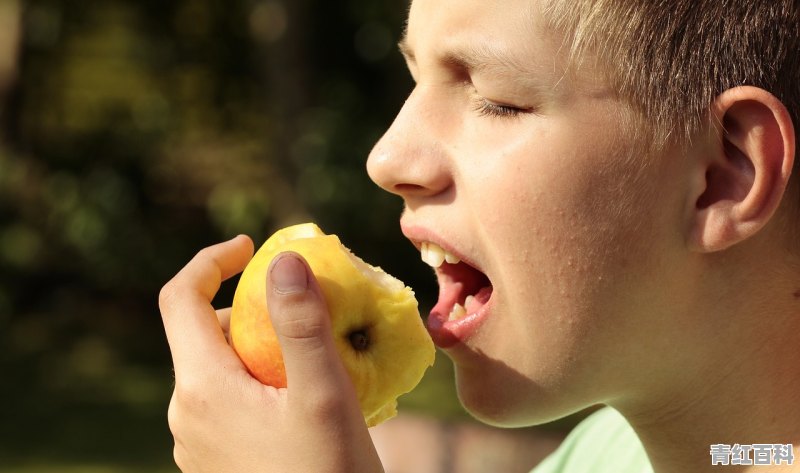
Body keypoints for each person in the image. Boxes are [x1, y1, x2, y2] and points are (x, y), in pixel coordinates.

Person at [158, 0, 800, 471]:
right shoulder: (598, 459)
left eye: (495, 99)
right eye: (416, 78)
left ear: (721, 176)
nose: (386, 158)